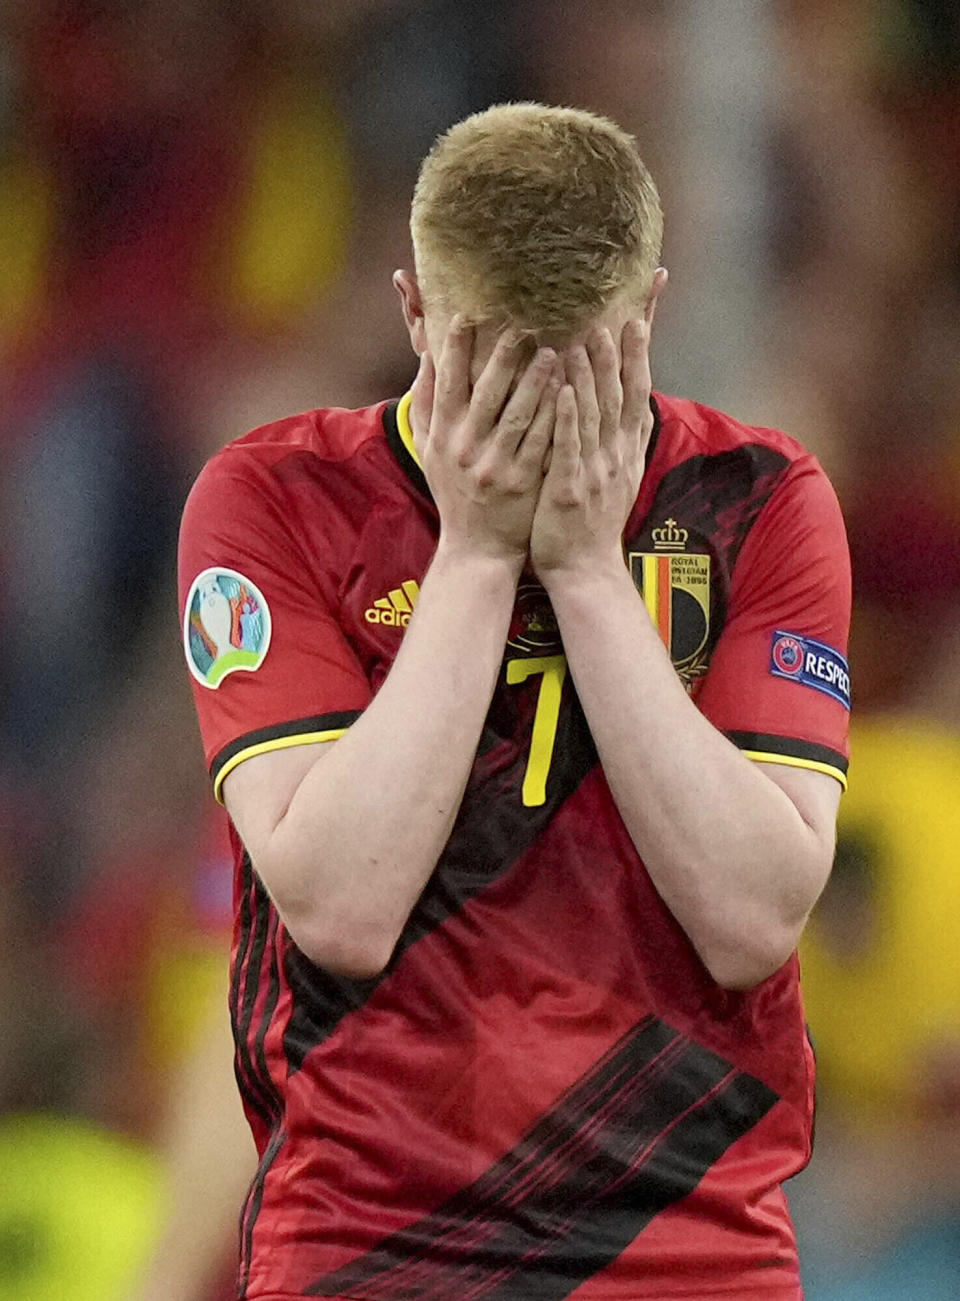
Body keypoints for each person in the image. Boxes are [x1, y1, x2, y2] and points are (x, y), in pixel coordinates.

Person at [178, 103, 851, 1301]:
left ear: (647, 313)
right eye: (491, 358)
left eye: (578, 360)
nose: (535, 410)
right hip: (372, 1241)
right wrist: (481, 556)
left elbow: (755, 918)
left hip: (688, 1242)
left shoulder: (760, 501)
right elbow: (340, 903)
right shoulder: (275, 500)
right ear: (413, 312)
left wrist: (589, 573)